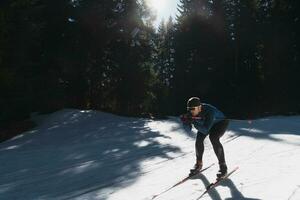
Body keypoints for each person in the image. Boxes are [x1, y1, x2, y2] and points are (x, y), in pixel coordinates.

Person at [180, 97, 230, 178]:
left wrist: (193, 122)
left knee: (213, 138)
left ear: (199, 107)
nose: (191, 111)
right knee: (199, 140)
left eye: (193, 109)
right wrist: (185, 122)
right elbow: (188, 130)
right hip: (205, 124)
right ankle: (198, 164)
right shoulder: (191, 113)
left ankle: (223, 167)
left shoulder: (210, 111)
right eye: (189, 109)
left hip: (220, 123)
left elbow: (205, 130)